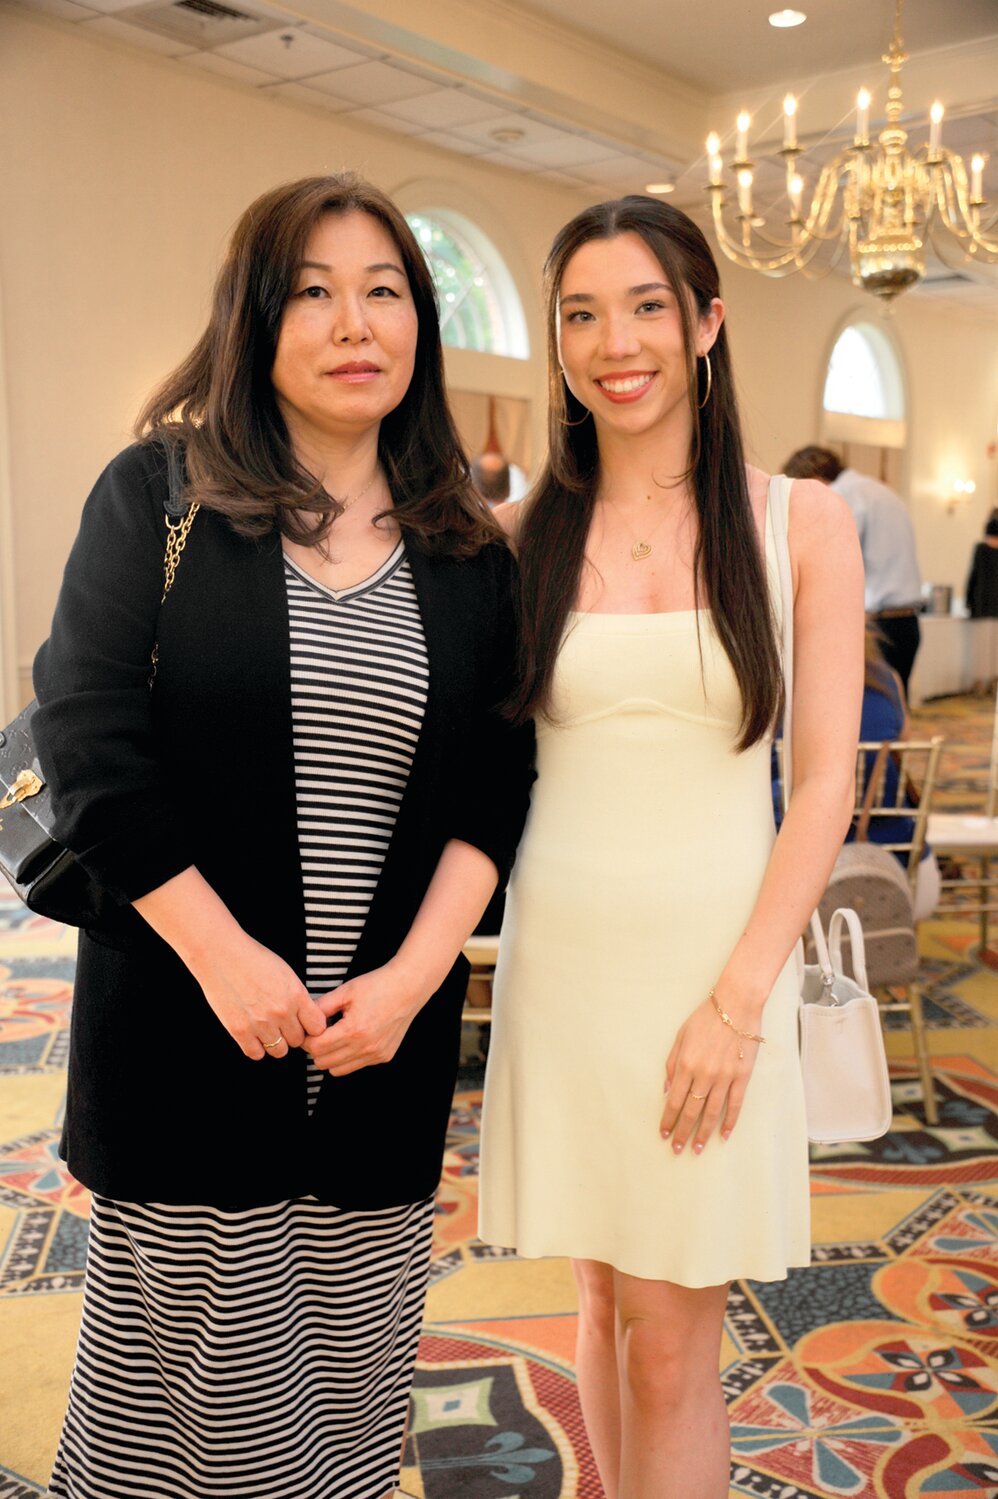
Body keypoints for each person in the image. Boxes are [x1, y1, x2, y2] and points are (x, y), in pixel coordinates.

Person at [35, 173, 534, 1499]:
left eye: (383, 290)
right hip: (190, 1030)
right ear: (255, 316)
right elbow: (86, 741)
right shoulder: (161, 494)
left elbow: (493, 782)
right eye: (311, 289)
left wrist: (419, 976)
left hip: (382, 1041)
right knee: (191, 1402)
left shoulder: (467, 551)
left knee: (352, 1399)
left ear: (419, 326)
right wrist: (224, 958)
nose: (351, 320)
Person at [477, 196, 864, 1499]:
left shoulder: (796, 521)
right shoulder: (523, 533)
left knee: (669, 1345)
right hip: (562, 966)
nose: (612, 340)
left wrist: (738, 998)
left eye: (645, 305)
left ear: (706, 321)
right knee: (596, 1294)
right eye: (579, 312)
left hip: (714, 976)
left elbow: (821, 779)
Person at [772, 625, 941, 921]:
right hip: (905, 871)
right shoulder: (888, 679)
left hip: (802, 885)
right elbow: (901, 743)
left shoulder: (776, 686)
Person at [784, 445, 923, 695]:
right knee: (894, 710)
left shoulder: (841, 494)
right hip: (907, 622)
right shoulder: (882, 491)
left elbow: (832, 563)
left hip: (876, 629)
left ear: (812, 479)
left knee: (860, 713)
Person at [966, 508, 998, 619]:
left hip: (981, 606)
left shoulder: (981, 549)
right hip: (983, 605)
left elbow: (974, 576)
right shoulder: (982, 550)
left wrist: (969, 601)